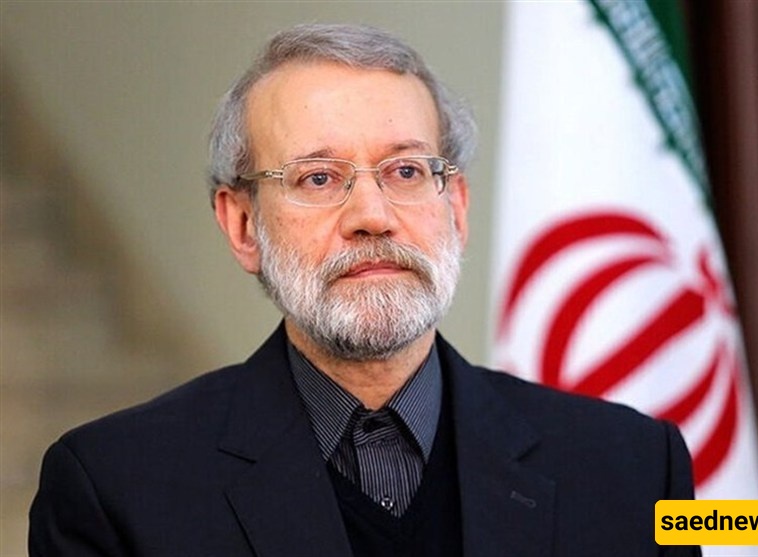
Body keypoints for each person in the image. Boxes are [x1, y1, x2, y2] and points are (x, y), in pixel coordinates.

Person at [29, 23, 700, 557]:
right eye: (318, 178)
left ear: (457, 207)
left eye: (405, 171)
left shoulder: (635, 470)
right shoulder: (114, 489)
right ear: (242, 225)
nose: (373, 216)